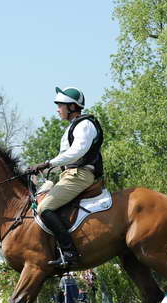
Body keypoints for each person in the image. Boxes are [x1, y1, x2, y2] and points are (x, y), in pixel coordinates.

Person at [28, 86, 104, 267]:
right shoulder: (71, 128)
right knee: (38, 198)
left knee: (45, 208)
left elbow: (76, 152)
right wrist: (40, 171)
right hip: (68, 174)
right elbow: (64, 160)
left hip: (81, 174)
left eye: (60, 105)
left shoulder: (85, 125)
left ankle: (69, 253)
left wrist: (47, 163)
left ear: (72, 106)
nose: (57, 109)